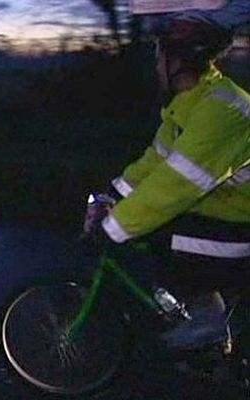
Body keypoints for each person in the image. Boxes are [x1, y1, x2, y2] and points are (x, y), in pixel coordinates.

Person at [98, 16, 250, 347]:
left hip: (243, 227)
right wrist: (112, 194)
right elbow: (156, 162)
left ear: (179, 62)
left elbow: (177, 183)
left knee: (163, 234)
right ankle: (205, 311)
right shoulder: (188, 104)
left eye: (158, 58)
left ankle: (210, 324)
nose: (156, 66)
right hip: (227, 214)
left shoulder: (222, 109)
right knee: (152, 229)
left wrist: (114, 227)